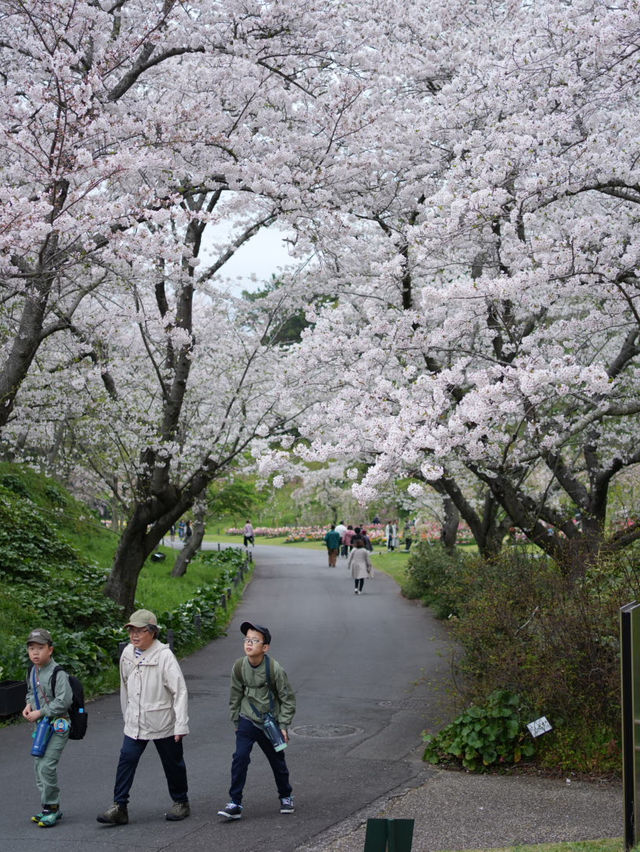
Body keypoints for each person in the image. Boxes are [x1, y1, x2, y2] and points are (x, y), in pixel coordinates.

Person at [97, 609, 190, 826]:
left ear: (153, 632)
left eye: (140, 630)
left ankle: (181, 802)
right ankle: (119, 807)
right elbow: (124, 687)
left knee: (173, 763)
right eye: (131, 630)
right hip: (135, 721)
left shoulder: (164, 656)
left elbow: (180, 691)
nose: (134, 635)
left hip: (163, 721)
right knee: (126, 760)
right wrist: (126, 715)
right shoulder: (128, 653)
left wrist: (181, 724)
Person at [218, 621, 296, 820]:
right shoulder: (239, 666)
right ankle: (235, 802)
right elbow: (235, 695)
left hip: (270, 723)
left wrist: (284, 725)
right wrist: (236, 722)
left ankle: (286, 796)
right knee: (240, 758)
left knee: (277, 761)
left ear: (265, 647)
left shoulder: (275, 669)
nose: (249, 643)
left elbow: (287, 698)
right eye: (247, 639)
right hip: (247, 719)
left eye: (255, 640)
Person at [22, 628, 73, 828]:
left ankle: (52, 808)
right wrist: (28, 705)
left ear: (50, 650)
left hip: (59, 725)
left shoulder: (58, 673)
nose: (35, 653)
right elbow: (30, 692)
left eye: (40, 648)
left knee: (46, 766)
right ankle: (46, 807)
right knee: (38, 766)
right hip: (41, 727)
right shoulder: (32, 670)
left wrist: (41, 712)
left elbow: (64, 701)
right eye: (31, 648)